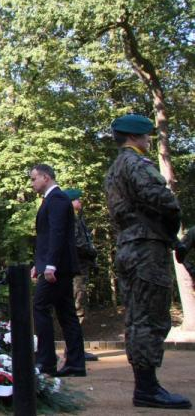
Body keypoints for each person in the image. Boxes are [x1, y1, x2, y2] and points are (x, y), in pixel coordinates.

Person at [104, 113, 191, 409]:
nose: (148, 140)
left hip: (129, 245)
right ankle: (147, 388)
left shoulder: (115, 168)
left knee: (136, 317)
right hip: (145, 248)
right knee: (149, 317)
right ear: (135, 137)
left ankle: (146, 385)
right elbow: (161, 199)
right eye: (146, 136)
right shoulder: (135, 163)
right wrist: (173, 208)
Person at [29, 164, 86, 377]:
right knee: (67, 313)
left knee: (40, 306)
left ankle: (46, 361)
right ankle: (76, 363)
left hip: (59, 267)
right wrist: (39, 264)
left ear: (45, 177)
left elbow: (58, 233)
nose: (32, 183)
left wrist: (50, 265)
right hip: (54, 265)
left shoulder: (58, 199)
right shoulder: (52, 200)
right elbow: (45, 237)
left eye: (34, 179)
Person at [64, 188, 99, 362]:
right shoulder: (70, 220)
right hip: (76, 270)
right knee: (77, 307)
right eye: (77, 200)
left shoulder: (75, 219)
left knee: (79, 307)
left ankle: (76, 348)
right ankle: (75, 350)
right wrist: (91, 252)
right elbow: (77, 245)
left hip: (80, 269)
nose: (80, 202)